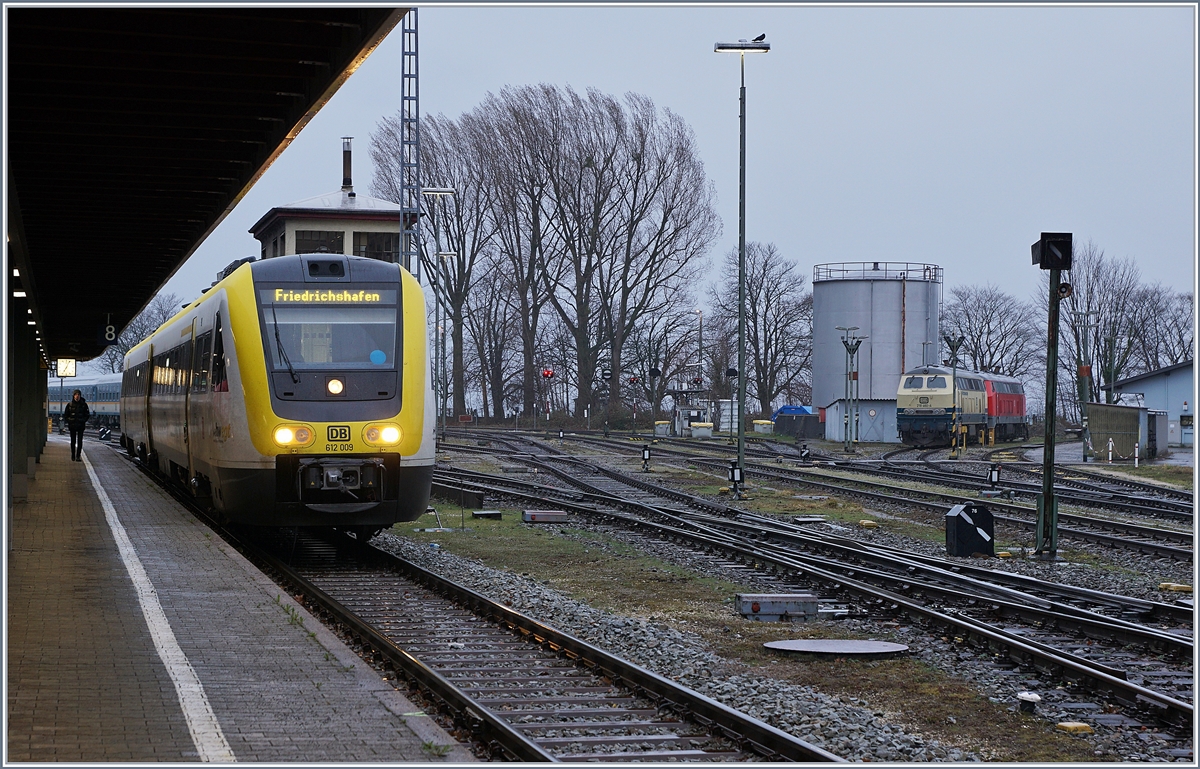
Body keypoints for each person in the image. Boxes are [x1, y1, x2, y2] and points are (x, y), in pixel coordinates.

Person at [62, 389, 90, 462]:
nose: (77, 396)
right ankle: (73, 455)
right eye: (76, 394)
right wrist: (69, 421)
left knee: (80, 441)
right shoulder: (70, 405)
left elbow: (87, 415)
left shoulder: (84, 405)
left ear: (80, 396)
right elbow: (65, 415)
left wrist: (83, 420)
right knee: (73, 441)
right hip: (72, 425)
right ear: (73, 396)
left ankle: (78, 456)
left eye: (78, 395)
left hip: (80, 425)